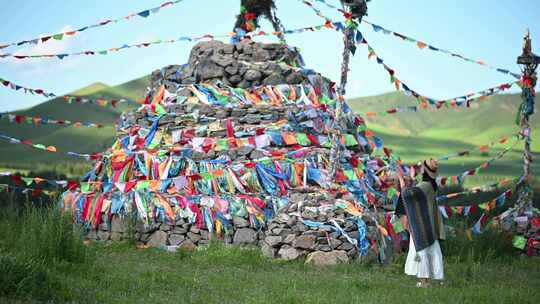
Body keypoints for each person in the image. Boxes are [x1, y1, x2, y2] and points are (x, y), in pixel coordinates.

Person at [400, 159, 445, 287]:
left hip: (422, 225)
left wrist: (401, 180)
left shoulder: (425, 185)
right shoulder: (428, 184)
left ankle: (424, 281)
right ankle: (424, 280)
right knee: (427, 251)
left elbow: (408, 195)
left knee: (422, 251)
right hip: (426, 223)